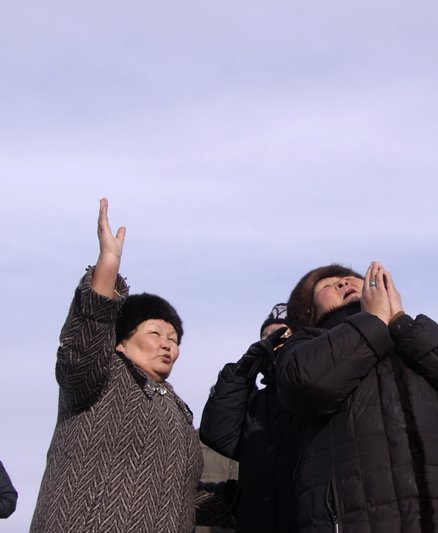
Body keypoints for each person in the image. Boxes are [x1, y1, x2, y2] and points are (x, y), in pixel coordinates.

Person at [31, 199, 223, 532]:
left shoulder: (178, 413)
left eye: (173, 338)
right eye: (155, 333)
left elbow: (175, 498)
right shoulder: (102, 376)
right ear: (120, 342)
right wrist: (107, 266)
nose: (167, 344)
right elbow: (84, 343)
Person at [277, 262, 438, 533]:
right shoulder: (304, 345)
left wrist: (400, 319)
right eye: (327, 285)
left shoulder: (410, 336)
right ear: (308, 310)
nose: (343, 282)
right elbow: (304, 384)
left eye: (350, 278)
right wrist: (373, 321)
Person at [200, 303, 298, 533]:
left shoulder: (316, 394)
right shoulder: (253, 402)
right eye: (268, 337)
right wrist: (242, 372)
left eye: (284, 336)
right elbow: (218, 434)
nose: (275, 343)